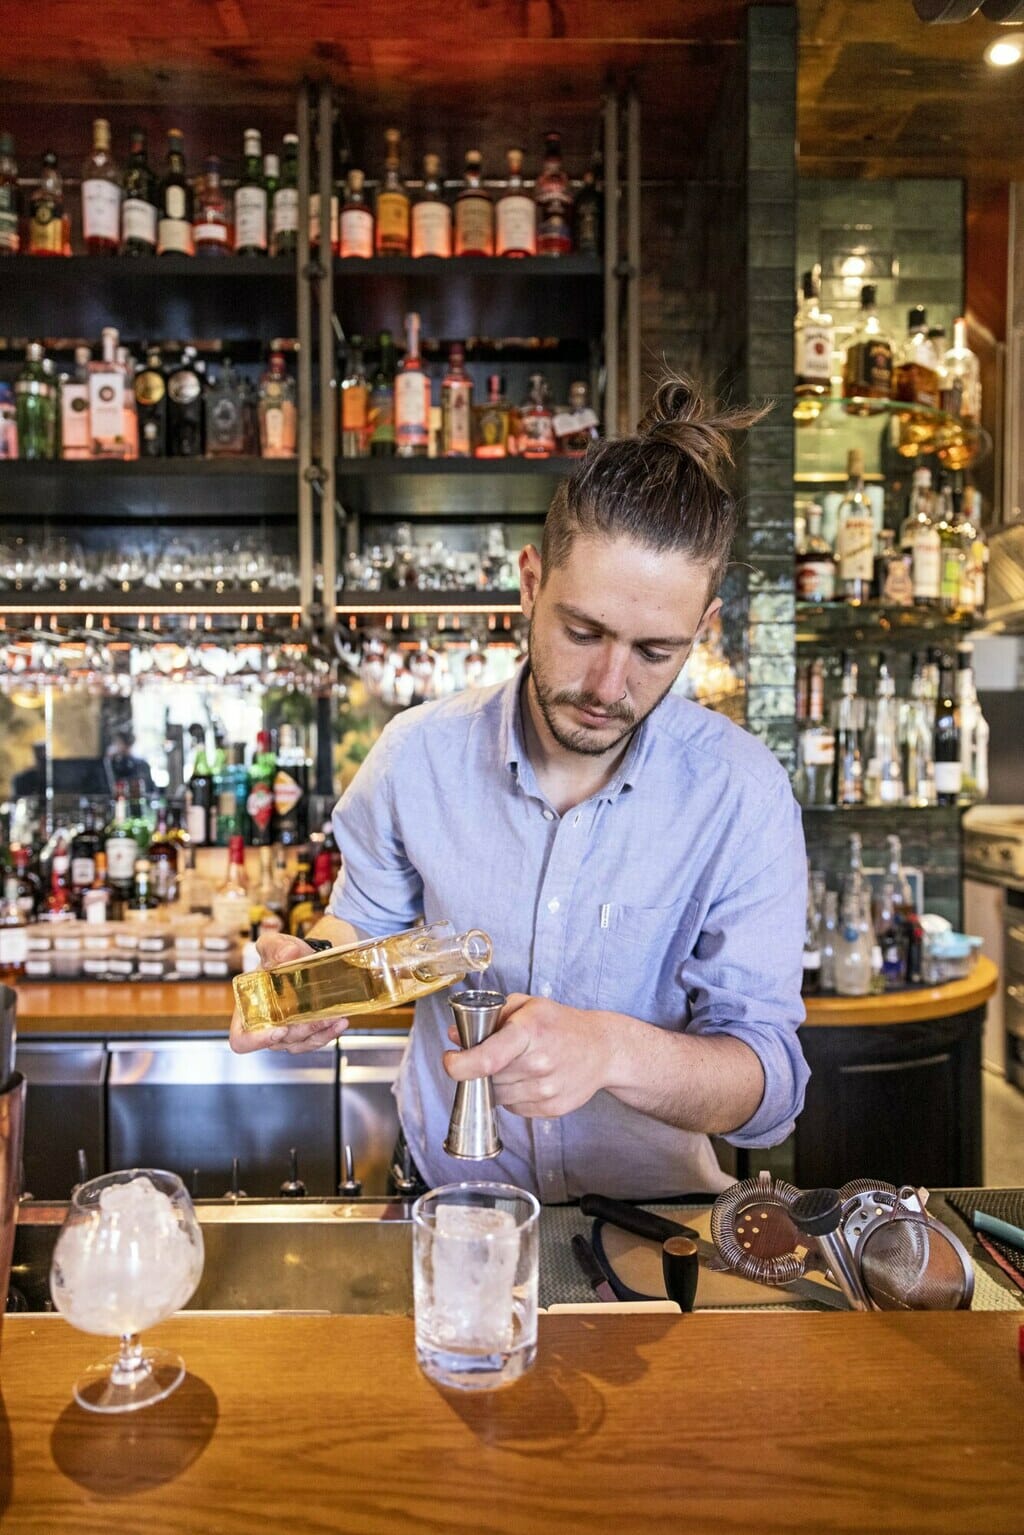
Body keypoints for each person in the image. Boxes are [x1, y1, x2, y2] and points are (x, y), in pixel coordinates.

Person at [230, 376, 810, 1201]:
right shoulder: (417, 756)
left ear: (702, 628)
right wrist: (309, 976)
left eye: (655, 651)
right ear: (530, 582)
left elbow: (771, 1089)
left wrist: (613, 1051)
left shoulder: (741, 795)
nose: (609, 683)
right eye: (583, 632)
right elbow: (361, 925)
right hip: (448, 1200)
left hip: (652, 1224)